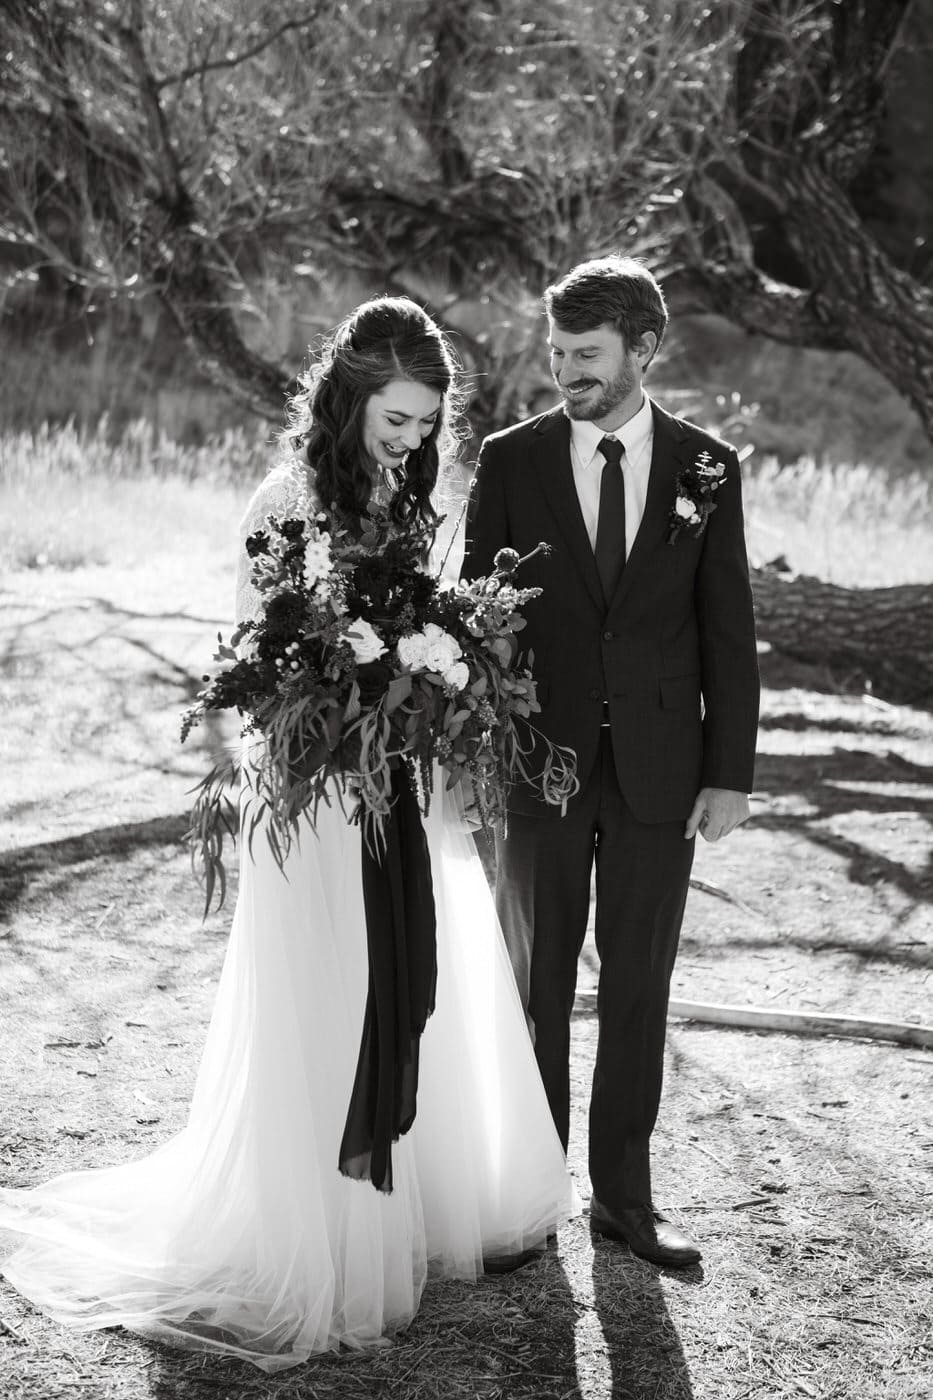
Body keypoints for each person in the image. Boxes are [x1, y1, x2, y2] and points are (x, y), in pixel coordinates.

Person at [0, 297, 577, 1372]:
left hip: (397, 779)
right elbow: (259, 660)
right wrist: (345, 699)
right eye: (396, 419)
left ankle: (415, 1205)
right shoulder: (285, 503)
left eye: (426, 423)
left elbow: (433, 622)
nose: (411, 440)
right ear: (349, 399)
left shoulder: (415, 498)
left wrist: (435, 682)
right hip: (315, 794)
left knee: (414, 970)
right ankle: (322, 1230)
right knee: (330, 984)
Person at [461, 257, 760, 1268]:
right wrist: (473, 749)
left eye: (585, 354)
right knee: (533, 982)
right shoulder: (511, 460)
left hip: (662, 770)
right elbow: (479, 620)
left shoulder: (707, 468)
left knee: (639, 985)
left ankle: (625, 1201)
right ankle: (529, 1197)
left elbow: (726, 627)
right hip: (535, 763)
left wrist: (730, 770)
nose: (565, 372)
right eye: (556, 352)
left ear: (643, 348)